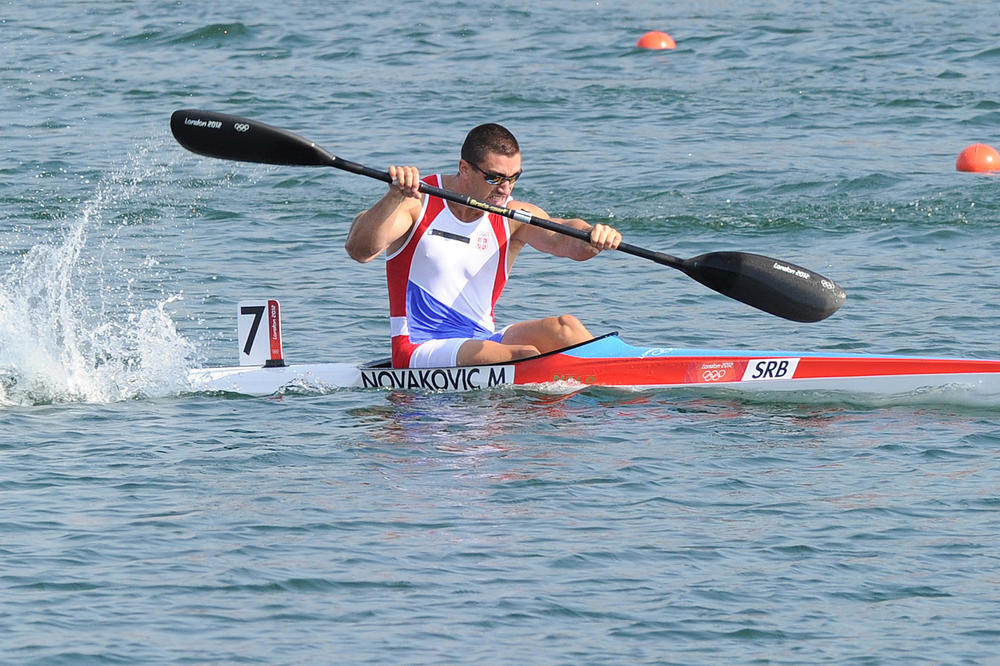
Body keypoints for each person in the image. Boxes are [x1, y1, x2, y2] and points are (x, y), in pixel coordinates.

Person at [345, 123, 622, 369]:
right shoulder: (416, 203)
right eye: (495, 178)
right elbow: (359, 250)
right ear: (464, 168)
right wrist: (392, 198)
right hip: (419, 346)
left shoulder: (511, 217)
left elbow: (566, 240)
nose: (506, 189)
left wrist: (593, 235)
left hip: (482, 339)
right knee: (524, 354)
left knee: (566, 328)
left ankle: (622, 369)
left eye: (514, 178)